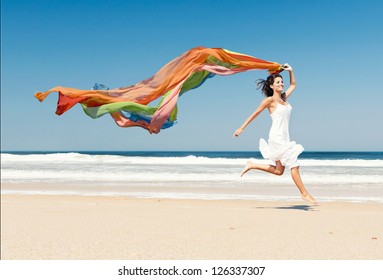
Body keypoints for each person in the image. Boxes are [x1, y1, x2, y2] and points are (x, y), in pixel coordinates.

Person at [233, 64, 317, 204]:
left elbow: (294, 84)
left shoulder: (283, 98)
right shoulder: (269, 101)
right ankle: (304, 193)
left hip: (285, 137)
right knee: (294, 165)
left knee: (279, 171)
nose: (281, 84)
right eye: (278, 82)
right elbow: (255, 113)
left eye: (282, 82)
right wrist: (242, 128)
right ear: (272, 86)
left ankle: (252, 165)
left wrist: (291, 71)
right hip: (277, 137)